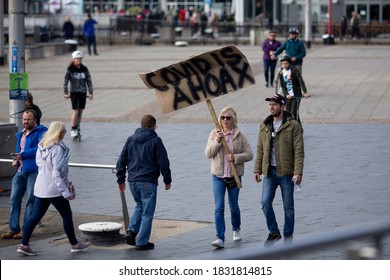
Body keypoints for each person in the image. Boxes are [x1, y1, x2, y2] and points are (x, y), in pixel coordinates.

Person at [16, 121, 91, 256]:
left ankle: (24, 244)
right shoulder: (58, 149)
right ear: (59, 132)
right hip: (54, 189)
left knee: (35, 216)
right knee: (66, 215)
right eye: (63, 131)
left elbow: (40, 164)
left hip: (41, 187)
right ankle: (74, 244)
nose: (65, 133)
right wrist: (65, 191)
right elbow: (57, 172)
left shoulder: (41, 146)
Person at [253, 94, 304, 247]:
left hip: (286, 173)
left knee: (288, 207)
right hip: (269, 172)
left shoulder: (293, 125)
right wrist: (257, 169)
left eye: (275, 104)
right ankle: (274, 231)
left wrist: (298, 172)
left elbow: (299, 150)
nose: (271, 107)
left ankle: (288, 237)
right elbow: (260, 148)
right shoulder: (264, 126)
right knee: (265, 202)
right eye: (270, 105)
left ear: (282, 106)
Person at [116, 115, 172, 251]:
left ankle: (131, 232)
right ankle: (141, 242)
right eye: (155, 126)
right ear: (153, 126)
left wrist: (120, 179)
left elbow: (121, 161)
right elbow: (163, 161)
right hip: (148, 182)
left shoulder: (130, 139)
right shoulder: (155, 140)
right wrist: (167, 179)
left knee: (139, 205)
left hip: (133, 182)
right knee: (147, 212)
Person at [205, 107, 253, 248]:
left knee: (233, 207)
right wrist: (217, 141)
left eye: (228, 118)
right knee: (219, 207)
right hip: (218, 176)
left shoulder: (239, 135)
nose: (225, 120)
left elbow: (249, 154)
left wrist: (235, 157)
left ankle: (236, 228)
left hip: (234, 176)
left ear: (233, 120)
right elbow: (208, 154)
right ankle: (220, 237)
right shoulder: (214, 133)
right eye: (222, 117)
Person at [1, 110, 47, 240]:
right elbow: (19, 150)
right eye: (24, 119)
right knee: (14, 200)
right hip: (20, 171)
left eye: (28, 119)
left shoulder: (42, 132)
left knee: (31, 201)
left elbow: (40, 148)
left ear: (35, 120)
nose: (25, 122)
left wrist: (23, 155)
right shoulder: (21, 134)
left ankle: (26, 230)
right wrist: (16, 159)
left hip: (33, 170)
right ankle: (13, 228)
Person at [271, 27, 310, 98]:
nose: (291, 35)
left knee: (297, 78)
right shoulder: (287, 42)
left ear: (296, 35)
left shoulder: (300, 43)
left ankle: (299, 92)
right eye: (290, 34)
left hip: (297, 63)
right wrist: (275, 54)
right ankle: (287, 91)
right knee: (286, 77)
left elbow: (303, 53)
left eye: (293, 34)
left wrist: (296, 57)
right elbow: (281, 49)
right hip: (288, 63)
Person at [63, 50, 93, 138]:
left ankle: (78, 126)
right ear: (73, 60)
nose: (79, 61)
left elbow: (89, 81)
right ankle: (73, 128)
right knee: (75, 111)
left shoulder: (84, 69)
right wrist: (66, 93)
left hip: (83, 92)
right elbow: (66, 81)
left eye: (80, 59)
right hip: (74, 93)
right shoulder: (70, 69)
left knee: (80, 111)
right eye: (77, 59)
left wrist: (90, 92)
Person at [277, 55, 309, 124]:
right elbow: (282, 85)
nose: (284, 65)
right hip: (288, 96)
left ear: (289, 63)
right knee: (288, 113)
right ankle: (296, 129)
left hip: (296, 95)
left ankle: (296, 130)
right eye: (282, 64)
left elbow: (301, 81)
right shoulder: (281, 72)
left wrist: (305, 91)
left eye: (286, 63)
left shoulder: (294, 70)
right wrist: (286, 94)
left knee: (293, 113)